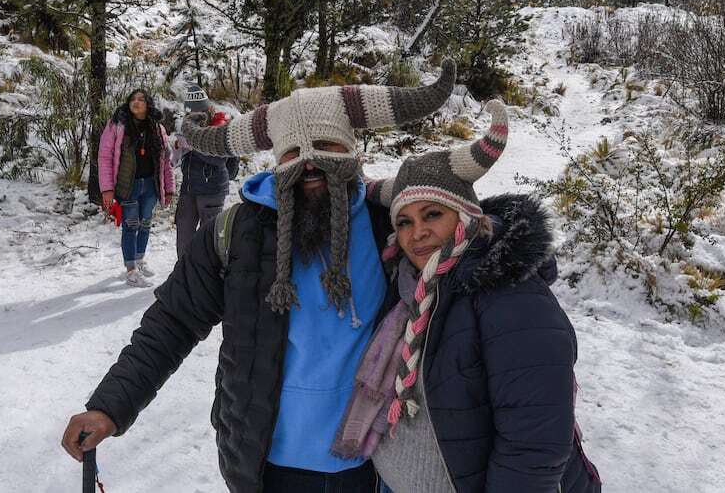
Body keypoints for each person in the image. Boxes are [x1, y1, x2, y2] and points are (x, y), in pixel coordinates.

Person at [61, 63, 458, 493]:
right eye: (291, 154)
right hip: (267, 465)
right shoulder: (235, 234)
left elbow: (466, 266)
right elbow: (173, 321)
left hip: (376, 463)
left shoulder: (395, 227)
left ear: (353, 152)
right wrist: (110, 407)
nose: (309, 165)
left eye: (325, 145)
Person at [334, 100, 601, 493]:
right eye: (404, 221)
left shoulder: (508, 292)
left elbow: (534, 438)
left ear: (466, 217)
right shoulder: (407, 286)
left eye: (433, 215)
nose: (417, 233)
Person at [97, 89, 175, 288]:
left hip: (150, 185)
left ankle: (139, 260)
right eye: (132, 99)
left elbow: (166, 161)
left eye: (141, 99)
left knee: (145, 224)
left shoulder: (157, 128)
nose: (136, 102)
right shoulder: (116, 125)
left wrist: (169, 188)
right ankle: (130, 270)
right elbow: (105, 157)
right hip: (127, 186)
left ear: (148, 104)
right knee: (131, 226)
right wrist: (107, 189)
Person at [172, 84, 239, 259]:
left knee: (208, 237)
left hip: (212, 189)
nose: (194, 118)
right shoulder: (187, 126)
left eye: (199, 113)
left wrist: (191, 144)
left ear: (208, 109)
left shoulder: (220, 125)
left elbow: (218, 159)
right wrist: (178, 147)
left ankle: (206, 277)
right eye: (190, 115)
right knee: (184, 234)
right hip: (189, 188)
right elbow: (177, 158)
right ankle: (184, 273)